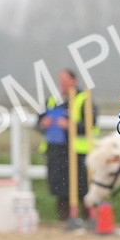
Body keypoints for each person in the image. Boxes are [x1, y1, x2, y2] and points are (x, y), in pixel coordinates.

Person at [38, 69, 96, 224]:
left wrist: (71, 126)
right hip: (56, 152)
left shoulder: (84, 99)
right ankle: (65, 219)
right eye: (60, 79)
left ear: (74, 80)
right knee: (60, 188)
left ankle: (88, 218)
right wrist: (44, 124)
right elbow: (38, 123)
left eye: (65, 79)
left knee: (82, 187)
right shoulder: (51, 100)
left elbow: (91, 125)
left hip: (78, 152)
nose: (62, 83)